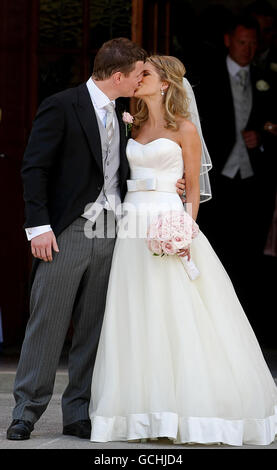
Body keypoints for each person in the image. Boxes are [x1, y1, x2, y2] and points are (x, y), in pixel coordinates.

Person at [89, 55, 277, 446]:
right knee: (135, 313)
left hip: (167, 223)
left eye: (146, 74)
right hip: (131, 227)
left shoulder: (185, 129)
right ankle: (141, 414)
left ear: (165, 85)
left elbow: (193, 189)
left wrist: (183, 229)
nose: (137, 79)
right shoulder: (131, 123)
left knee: (174, 311)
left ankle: (185, 410)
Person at [6, 38, 186, 441]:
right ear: (119, 76)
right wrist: (38, 226)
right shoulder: (62, 105)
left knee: (94, 326)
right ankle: (26, 412)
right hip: (67, 230)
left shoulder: (129, 114)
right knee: (47, 322)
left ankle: (79, 412)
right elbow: (34, 168)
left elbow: (133, 167)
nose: (143, 79)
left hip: (114, 232)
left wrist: (170, 183)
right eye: (139, 73)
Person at [194, 14, 276, 326]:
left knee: (250, 255)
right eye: (242, 42)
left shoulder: (267, 78)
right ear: (229, 40)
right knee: (216, 251)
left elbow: (272, 124)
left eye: (253, 43)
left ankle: (247, 324)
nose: (248, 48)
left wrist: (263, 138)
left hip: (253, 182)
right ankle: (213, 322)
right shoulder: (206, 76)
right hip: (217, 180)